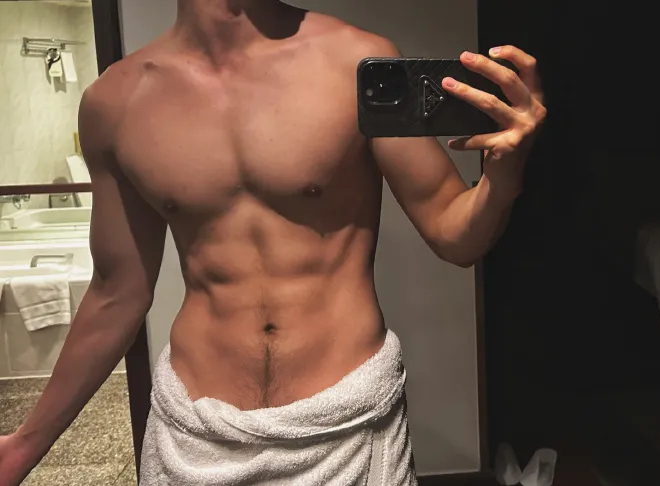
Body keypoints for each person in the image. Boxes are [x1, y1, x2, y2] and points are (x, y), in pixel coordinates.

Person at [0, 0, 546, 484]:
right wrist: (23, 447)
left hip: (346, 433)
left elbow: (454, 234)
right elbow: (116, 291)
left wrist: (503, 176)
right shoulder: (115, 102)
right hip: (195, 435)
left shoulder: (355, 61)